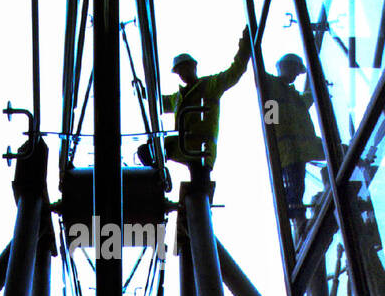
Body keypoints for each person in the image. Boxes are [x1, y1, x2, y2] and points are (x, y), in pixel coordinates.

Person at [138, 26, 251, 171]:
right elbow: (159, 102)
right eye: (179, 71)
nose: (182, 73)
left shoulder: (210, 85)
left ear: (194, 66)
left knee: (199, 184)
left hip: (201, 149)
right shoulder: (178, 97)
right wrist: (142, 92)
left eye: (184, 68)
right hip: (182, 147)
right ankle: (157, 177)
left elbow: (235, 71)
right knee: (147, 151)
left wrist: (245, 44)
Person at [261, 53, 325, 221]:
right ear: (286, 67)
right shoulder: (272, 86)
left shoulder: (291, 94)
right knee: (295, 190)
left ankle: (299, 218)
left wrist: (318, 88)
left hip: (301, 146)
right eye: (295, 70)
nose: (296, 75)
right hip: (287, 150)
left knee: (338, 152)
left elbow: (303, 102)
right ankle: (298, 221)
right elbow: (271, 118)